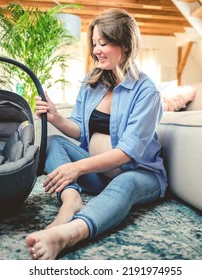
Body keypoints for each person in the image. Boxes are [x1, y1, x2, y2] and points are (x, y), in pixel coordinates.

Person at [26, 8, 168, 260]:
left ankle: (69, 234)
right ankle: (71, 200)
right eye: (94, 43)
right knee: (53, 142)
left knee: (125, 183)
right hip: (97, 175)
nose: (96, 50)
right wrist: (56, 117)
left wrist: (78, 167)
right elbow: (80, 129)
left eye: (104, 43)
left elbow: (126, 154)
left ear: (125, 45)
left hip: (138, 173)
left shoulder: (147, 91)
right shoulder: (92, 82)